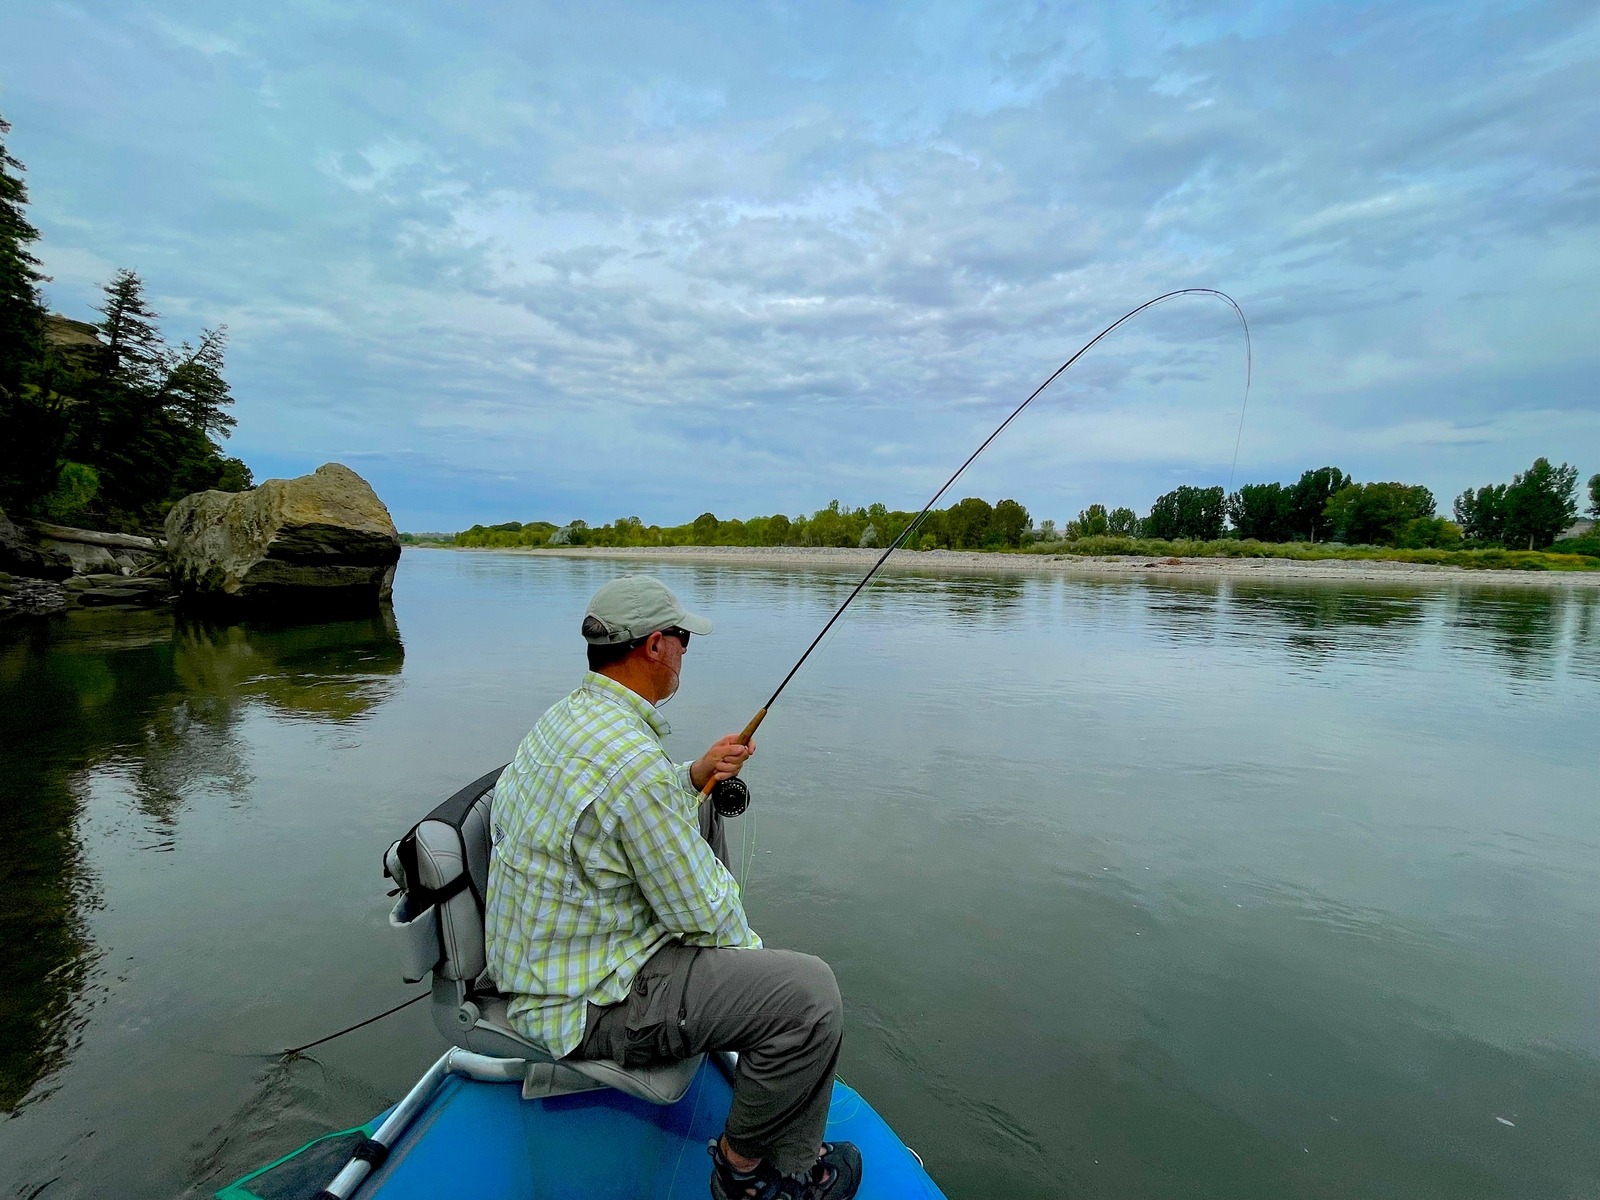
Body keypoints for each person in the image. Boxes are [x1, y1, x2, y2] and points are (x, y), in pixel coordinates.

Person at [485, 574, 862, 1200]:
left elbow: (617, 805)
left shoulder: (568, 719)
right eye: (682, 639)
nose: (686, 650)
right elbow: (708, 919)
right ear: (655, 645)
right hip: (587, 1001)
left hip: (545, 965)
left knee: (758, 953)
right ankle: (748, 1171)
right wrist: (761, 980)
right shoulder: (632, 766)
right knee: (809, 997)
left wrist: (691, 777)